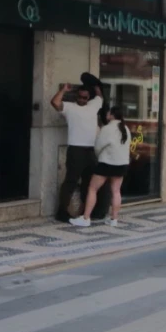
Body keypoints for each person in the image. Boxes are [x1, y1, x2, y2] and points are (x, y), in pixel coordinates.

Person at [50, 78, 105, 222]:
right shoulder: (70, 107)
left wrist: (95, 84)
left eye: (85, 97)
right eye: (80, 96)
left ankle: (86, 211)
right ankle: (62, 212)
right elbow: (55, 103)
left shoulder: (93, 105)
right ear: (76, 96)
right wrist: (63, 90)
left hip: (90, 150)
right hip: (76, 150)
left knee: (89, 182)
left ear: (88, 97)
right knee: (71, 181)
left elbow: (100, 96)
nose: (82, 99)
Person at [69, 106, 130, 227]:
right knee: (116, 191)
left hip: (106, 163)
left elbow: (98, 146)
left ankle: (86, 218)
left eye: (108, 113)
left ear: (112, 115)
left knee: (92, 188)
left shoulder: (107, 128)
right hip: (122, 164)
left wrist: (98, 156)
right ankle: (114, 219)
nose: (107, 114)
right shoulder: (126, 128)